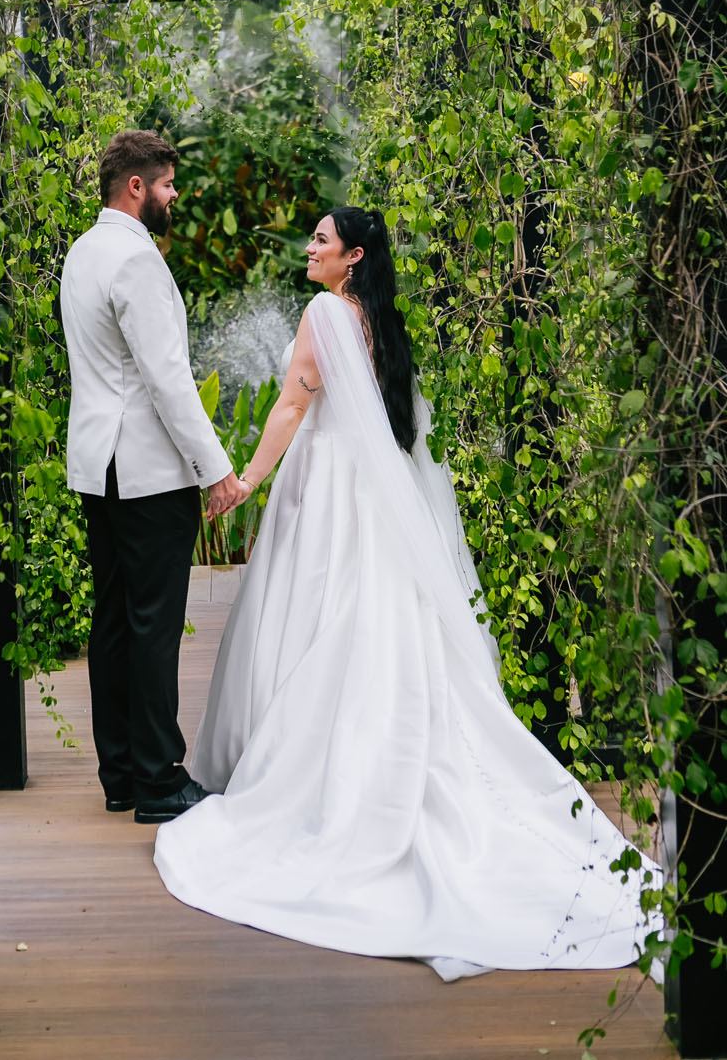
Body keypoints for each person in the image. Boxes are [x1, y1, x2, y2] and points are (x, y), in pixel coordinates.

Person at [153, 206, 661, 979]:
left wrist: (244, 484)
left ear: (351, 257)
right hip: (374, 497)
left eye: (322, 241)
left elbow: (292, 404)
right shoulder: (377, 321)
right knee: (371, 616)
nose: (310, 249)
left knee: (314, 614)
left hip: (324, 492)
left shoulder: (324, 311)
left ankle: (312, 767)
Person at [60, 130, 243, 825]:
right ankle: (161, 780)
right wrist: (216, 470)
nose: (174, 196)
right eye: (167, 184)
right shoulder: (135, 261)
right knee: (154, 626)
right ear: (135, 186)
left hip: (97, 469)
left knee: (113, 622)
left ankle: (122, 775)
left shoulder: (83, 252)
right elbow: (167, 379)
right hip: (145, 472)